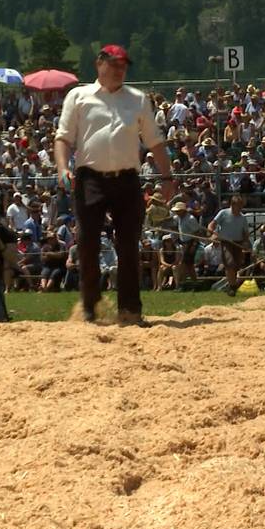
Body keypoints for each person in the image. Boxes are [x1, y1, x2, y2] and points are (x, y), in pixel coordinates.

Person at [54, 44, 176, 326]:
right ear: (100, 63)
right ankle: (90, 308)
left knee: (128, 245)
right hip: (90, 178)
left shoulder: (137, 99)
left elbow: (155, 142)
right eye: (115, 65)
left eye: (124, 66)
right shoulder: (78, 96)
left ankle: (130, 310)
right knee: (87, 244)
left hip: (127, 180)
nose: (120, 70)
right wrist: (62, 168)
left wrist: (167, 177)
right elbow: (63, 138)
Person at [207, 194, 251, 296]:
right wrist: (211, 230)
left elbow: (245, 233)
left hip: (238, 243)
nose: (240, 208)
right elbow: (212, 224)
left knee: (236, 266)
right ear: (232, 205)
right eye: (238, 206)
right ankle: (232, 287)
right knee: (229, 263)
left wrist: (245, 242)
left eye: (241, 206)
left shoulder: (242, 218)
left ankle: (231, 286)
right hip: (226, 242)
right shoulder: (223, 213)